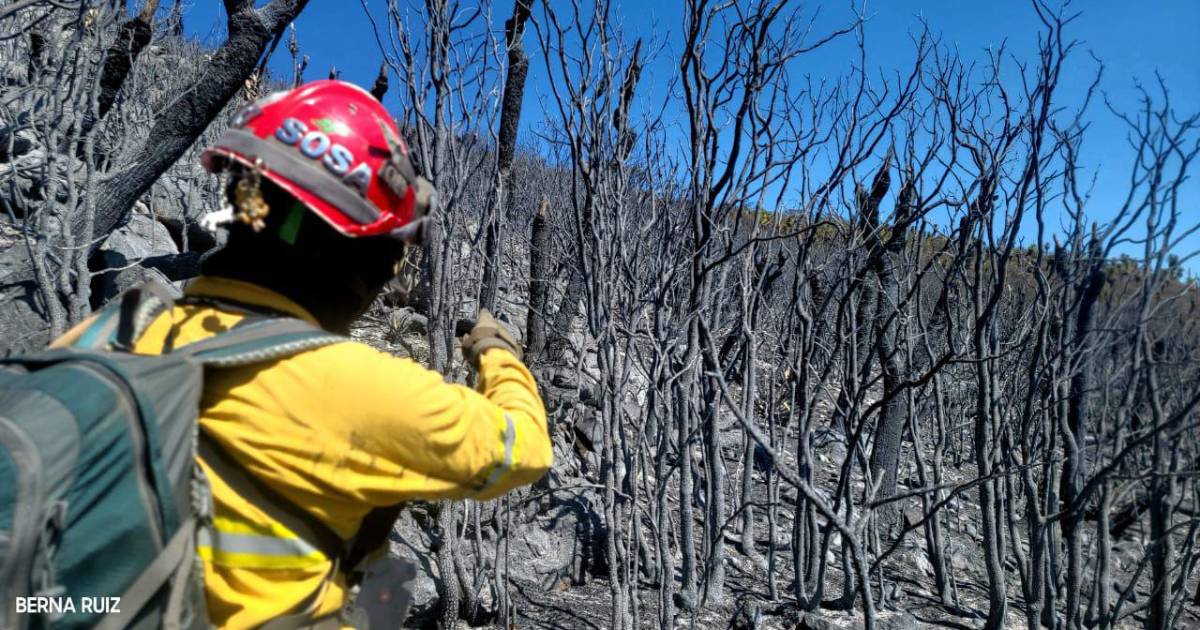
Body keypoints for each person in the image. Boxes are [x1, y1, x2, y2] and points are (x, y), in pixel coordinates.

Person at [52, 80, 552, 628]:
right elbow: (523, 449)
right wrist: (497, 352)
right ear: (366, 261)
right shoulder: (364, 390)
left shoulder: (111, 331)